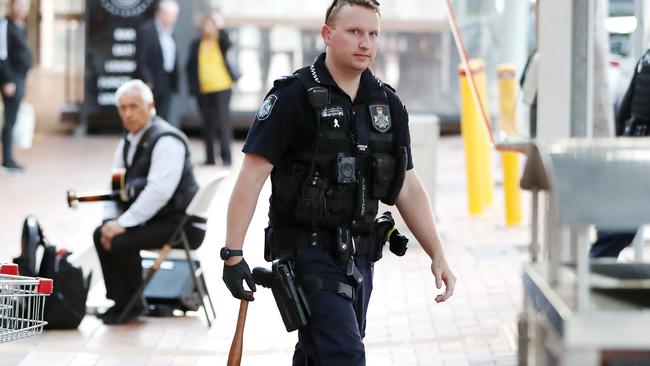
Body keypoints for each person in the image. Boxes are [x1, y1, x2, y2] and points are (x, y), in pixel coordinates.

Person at [220, 1, 456, 364]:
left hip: (361, 256)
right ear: (328, 34)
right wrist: (232, 254)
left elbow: (407, 185)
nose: (365, 43)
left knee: (321, 354)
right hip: (306, 251)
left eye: (373, 34)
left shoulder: (387, 104)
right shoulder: (292, 97)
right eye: (355, 32)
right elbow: (252, 176)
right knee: (344, 355)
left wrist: (437, 253)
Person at [93, 79, 205, 325]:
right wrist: (110, 221)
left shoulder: (167, 140)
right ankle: (122, 301)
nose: (128, 114)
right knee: (101, 234)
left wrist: (123, 223)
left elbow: (159, 192)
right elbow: (114, 186)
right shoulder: (127, 141)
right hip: (156, 217)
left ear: (150, 105)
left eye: (133, 106)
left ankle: (133, 304)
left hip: (181, 222)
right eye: (122, 108)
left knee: (121, 240)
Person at [589, 48, 650, 258]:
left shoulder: (646, 57)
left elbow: (624, 110)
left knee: (617, 230)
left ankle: (591, 274)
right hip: (642, 154)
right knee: (618, 230)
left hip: (633, 148)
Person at [186, 11, 238, 166]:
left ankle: (226, 158)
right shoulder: (197, 43)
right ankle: (210, 158)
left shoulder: (220, 40)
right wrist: (193, 87)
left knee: (222, 123)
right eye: (206, 24)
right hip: (203, 90)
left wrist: (221, 28)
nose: (208, 27)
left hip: (222, 87)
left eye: (211, 24)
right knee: (207, 124)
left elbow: (228, 43)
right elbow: (190, 66)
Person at [135, 0, 179, 122]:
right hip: (152, 82)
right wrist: (148, 80)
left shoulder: (170, 32)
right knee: (148, 116)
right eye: (171, 15)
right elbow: (141, 58)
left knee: (163, 117)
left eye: (175, 16)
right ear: (160, 13)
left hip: (167, 80)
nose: (173, 19)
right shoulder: (147, 30)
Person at [0, 0, 31, 172]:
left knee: (13, 119)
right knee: (9, 121)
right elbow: (1, 55)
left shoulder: (21, 26)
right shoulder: (5, 25)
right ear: (11, 6)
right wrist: (7, 80)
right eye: (18, 5)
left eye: (25, 5)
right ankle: (7, 160)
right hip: (11, 80)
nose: (21, 9)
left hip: (20, 79)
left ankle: (10, 157)